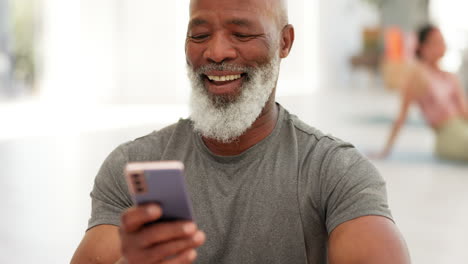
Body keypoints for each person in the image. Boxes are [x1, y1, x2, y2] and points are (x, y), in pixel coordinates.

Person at [71, 0, 411, 263]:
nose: (216, 52)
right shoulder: (133, 166)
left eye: (242, 34)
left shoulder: (334, 173)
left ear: (285, 42)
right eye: (200, 35)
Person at [377, 24, 468, 161]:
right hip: (447, 135)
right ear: (422, 47)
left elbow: (464, 110)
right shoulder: (418, 75)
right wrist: (385, 150)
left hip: (463, 127)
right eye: (436, 42)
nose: (441, 46)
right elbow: (401, 117)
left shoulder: (450, 77)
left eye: (442, 41)